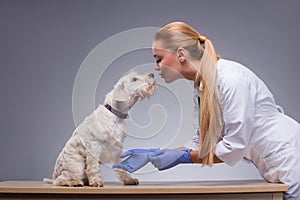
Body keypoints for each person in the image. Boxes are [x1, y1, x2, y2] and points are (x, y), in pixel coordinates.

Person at [112, 21, 300, 199]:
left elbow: (234, 147)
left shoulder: (230, 79)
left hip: (289, 156)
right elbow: (199, 146)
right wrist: (155, 154)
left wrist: (184, 157)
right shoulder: (201, 88)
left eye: (159, 58)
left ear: (180, 54)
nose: (156, 66)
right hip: (273, 163)